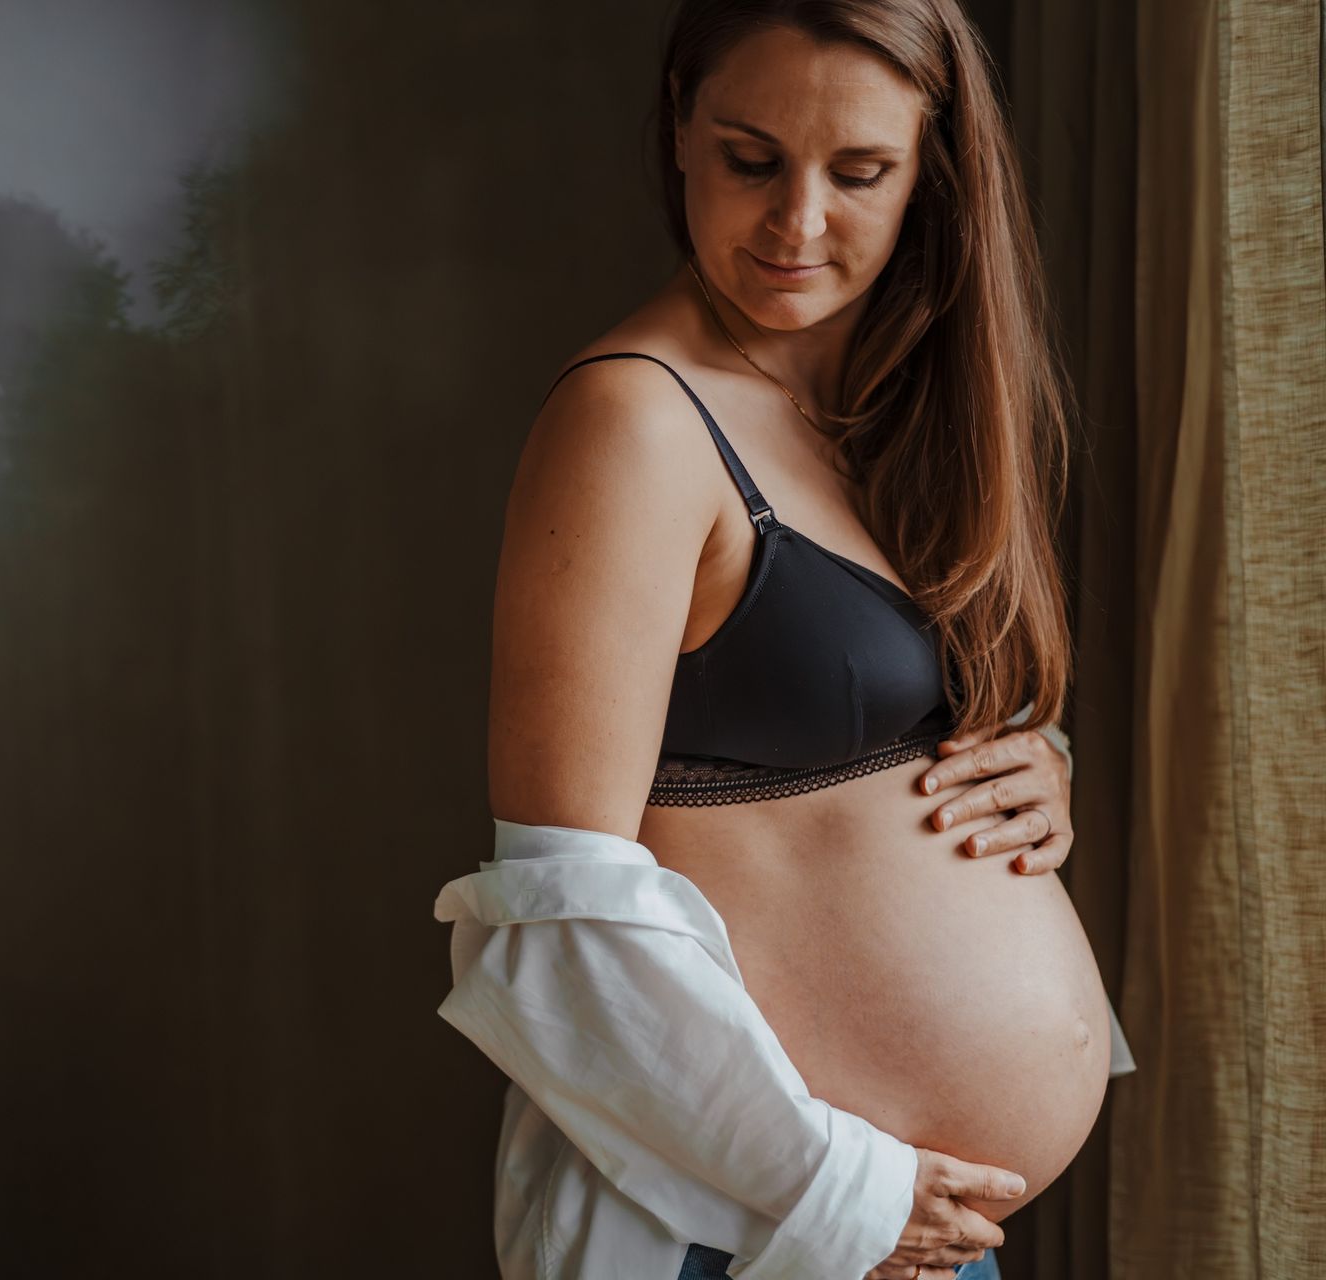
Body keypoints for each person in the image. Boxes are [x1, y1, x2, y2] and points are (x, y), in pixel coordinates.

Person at [433, 2, 1137, 1278]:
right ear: (681, 136)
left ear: (932, 172)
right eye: (752, 159)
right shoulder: (633, 423)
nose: (798, 222)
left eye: (859, 172)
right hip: (756, 1226)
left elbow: (851, 725)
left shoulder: (881, 401)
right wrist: (845, 1190)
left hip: (906, 1227)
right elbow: (556, 913)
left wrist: (1034, 767)